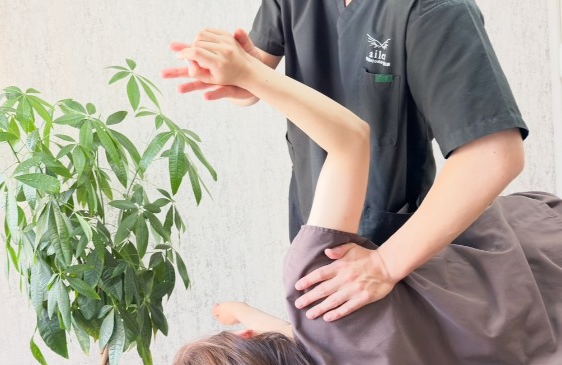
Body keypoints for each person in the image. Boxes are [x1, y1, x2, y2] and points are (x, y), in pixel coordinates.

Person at [112, 30, 562, 365]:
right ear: (248, 345)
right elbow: (351, 138)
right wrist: (251, 75)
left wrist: (245, 314)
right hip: (533, 247)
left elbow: (316, 355)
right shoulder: (315, 284)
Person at [161, 0, 529, 323]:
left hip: (387, 246)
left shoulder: (432, 8)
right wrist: (242, 73)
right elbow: (254, 78)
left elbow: (494, 154)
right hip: (312, 221)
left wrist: (384, 265)